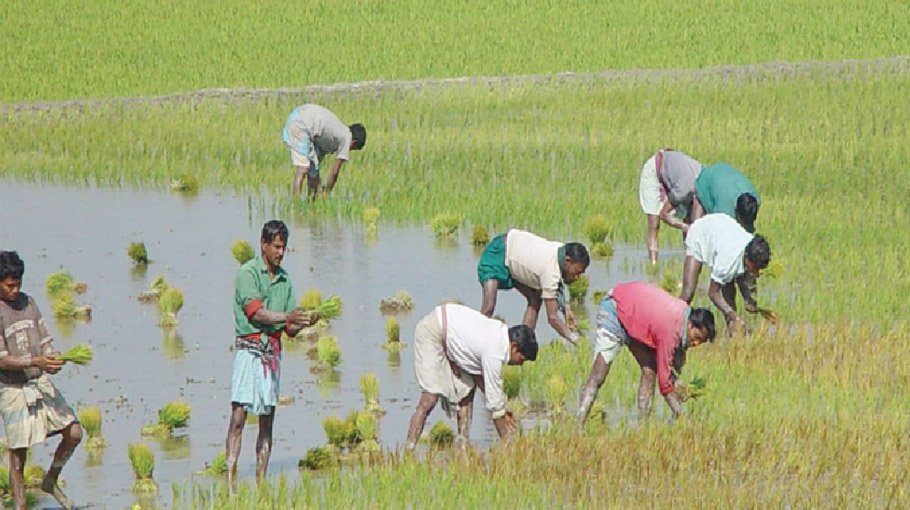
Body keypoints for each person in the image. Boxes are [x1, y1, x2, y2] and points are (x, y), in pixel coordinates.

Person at [225, 220, 317, 485]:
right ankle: (230, 480)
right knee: (239, 415)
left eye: (283, 247)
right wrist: (288, 316)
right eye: (276, 246)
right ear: (263, 245)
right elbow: (256, 312)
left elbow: (288, 330)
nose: (280, 252)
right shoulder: (248, 273)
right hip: (249, 350)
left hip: (272, 355)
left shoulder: (285, 280)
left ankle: (261, 481)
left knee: (267, 419)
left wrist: (302, 322)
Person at [0, 251, 82, 510]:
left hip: (38, 382)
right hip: (12, 389)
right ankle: (20, 506)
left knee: (74, 432)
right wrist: (37, 362)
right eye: (9, 285)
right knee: (18, 456)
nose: (15, 290)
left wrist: (52, 359)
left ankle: (51, 479)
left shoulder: (29, 303)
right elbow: (2, 360)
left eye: (18, 284)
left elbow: (45, 340)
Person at [576, 281, 715, 429]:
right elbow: (665, 385)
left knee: (649, 370)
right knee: (598, 375)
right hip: (615, 309)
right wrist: (683, 418)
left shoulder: (684, 318)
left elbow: (668, 370)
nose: (696, 343)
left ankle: (643, 428)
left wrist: (680, 386)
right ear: (691, 325)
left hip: (635, 318)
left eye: (701, 342)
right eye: (697, 337)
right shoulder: (671, 330)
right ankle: (577, 428)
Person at [405, 303, 538, 450]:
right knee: (429, 399)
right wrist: (508, 443)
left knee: (467, 391)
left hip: (451, 335)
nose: (520, 364)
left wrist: (503, 408)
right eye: (522, 359)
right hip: (433, 332)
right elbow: (494, 407)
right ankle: (408, 449)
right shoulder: (495, 351)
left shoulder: (499, 334)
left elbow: (482, 381)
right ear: (514, 347)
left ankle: (462, 446)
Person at [477, 229, 589, 344]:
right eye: (577, 272)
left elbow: (557, 285)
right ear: (568, 261)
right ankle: (475, 341)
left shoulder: (561, 251)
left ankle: (524, 344)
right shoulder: (550, 271)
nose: (577, 277)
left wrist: (566, 309)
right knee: (488, 306)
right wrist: (575, 340)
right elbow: (553, 318)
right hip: (498, 252)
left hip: (514, 257)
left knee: (535, 299)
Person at [679, 214, 772, 333]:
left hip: (721, 230)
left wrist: (748, 300)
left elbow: (741, 278)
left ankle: (732, 336)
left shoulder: (751, 245)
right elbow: (713, 293)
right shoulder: (727, 262)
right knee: (688, 292)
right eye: (756, 268)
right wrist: (735, 316)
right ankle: (673, 322)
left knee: (730, 298)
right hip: (701, 233)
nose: (757, 273)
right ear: (747, 259)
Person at [282, 103, 367, 197]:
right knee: (303, 168)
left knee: (313, 172)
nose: (348, 150)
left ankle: (312, 204)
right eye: (352, 149)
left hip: (301, 114)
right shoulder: (346, 138)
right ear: (354, 142)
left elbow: (315, 166)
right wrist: (327, 192)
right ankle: (296, 204)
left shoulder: (336, 133)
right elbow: (335, 172)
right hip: (301, 124)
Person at [638, 148, 704, 264]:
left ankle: (689, 260)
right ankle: (653, 264)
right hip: (655, 170)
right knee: (654, 223)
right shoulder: (683, 189)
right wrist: (684, 227)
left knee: (690, 217)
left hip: (675, 174)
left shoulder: (703, 175)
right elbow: (664, 215)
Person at [691, 162, 761, 232]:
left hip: (725, 176)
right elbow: (717, 231)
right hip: (707, 178)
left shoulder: (756, 200)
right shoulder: (724, 209)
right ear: (737, 212)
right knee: (697, 229)